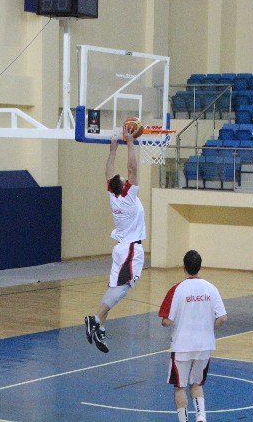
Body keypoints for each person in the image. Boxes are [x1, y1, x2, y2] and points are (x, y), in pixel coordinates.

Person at [84, 127, 146, 354]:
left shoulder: (114, 196)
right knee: (124, 287)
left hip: (121, 248)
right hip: (130, 249)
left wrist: (112, 150)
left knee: (114, 288)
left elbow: (109, 173)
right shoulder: (128, 197)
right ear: (125, 186)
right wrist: (129, 143)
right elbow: (132, 168)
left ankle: (100, 326)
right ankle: (96, 318)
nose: (121, 176)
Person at [158, 250, 227, 422]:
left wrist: (167, 322)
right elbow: (223, 318)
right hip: (204, 345)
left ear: (184, 267)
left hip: (182, 346)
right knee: (197, 384)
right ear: (200, 266)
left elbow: (167, 321)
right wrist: (209, 327)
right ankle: (201, 417)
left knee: (179, 387)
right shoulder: (211, 288)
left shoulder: (177, 289)